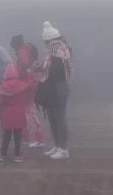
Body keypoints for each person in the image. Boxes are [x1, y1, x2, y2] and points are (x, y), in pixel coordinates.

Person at [34, 21, 72, 159]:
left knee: (59, 119)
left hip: (58, 88)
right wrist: (41, 69)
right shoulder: (52, 52)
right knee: (52, 118)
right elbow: (49, 70)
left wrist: (43, 71)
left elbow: (58, 72)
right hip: (52, 89)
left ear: (49, 40)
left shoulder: (59, 52)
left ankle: (63, 149)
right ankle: (57, 146)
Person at [0, 64, 36, 163]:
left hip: (7, 115)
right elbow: (30, 88)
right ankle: (17, 156)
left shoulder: (4, 87)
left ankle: (3, 155)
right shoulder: (22, 84)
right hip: (19, 114)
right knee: (18, 137)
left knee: (6, 136)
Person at [10, 34, 45, 148]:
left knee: (29, 110)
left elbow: (24, 63)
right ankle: (30, 137)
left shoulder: (22, 51)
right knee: (27, 110)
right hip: (31, 81)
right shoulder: (27, 49)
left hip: (26, 83)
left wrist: (19, 73)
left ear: (16, 45)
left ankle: (36, 139)